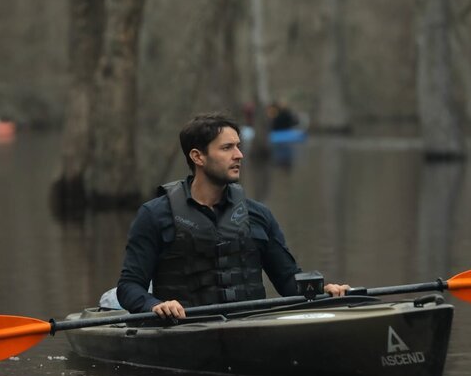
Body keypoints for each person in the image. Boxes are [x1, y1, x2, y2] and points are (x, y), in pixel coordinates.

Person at [116, 112, 349, 319]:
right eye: (227, 148)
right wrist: (155, 305)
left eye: (238, 146)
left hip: (250, 330)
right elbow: (129, 287)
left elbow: (289, 282)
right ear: (198, 157)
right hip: (183, 331)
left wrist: (323, 291)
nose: (239, 155)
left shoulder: (258, 214)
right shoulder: (154, 215)